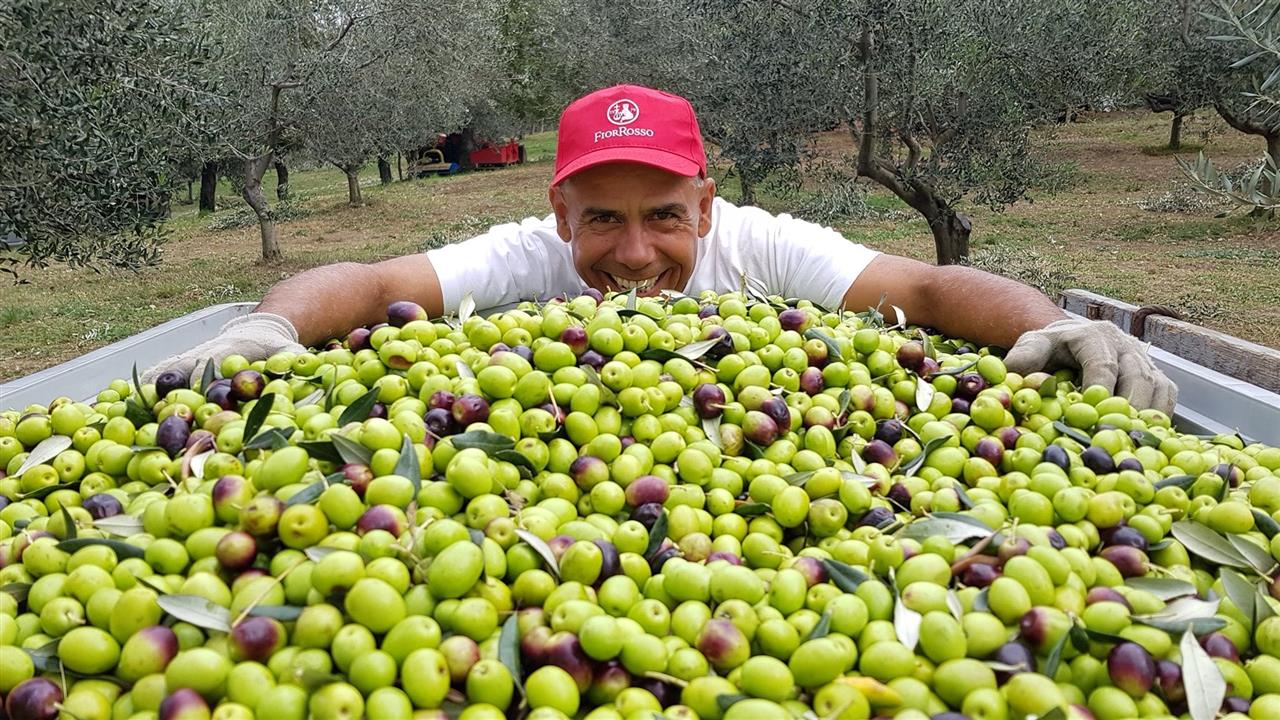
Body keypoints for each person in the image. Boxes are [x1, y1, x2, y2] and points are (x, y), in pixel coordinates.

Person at [145, 84, 1178, 413]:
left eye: (665, 217)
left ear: (707, 207)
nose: (634, 256)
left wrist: (1051, 323)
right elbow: (372, 283)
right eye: (602, 219)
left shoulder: (765, 248)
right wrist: (271, 327)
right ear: (560, 213)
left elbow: (930, 288)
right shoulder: (524, 257)